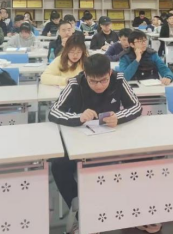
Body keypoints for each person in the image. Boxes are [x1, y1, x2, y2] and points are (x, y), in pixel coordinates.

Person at [48, 55, 156, 234]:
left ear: (110, 73)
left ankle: (137, 211)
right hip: (80, 141)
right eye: (93, 81)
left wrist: (118, 117)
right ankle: (82, 214)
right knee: (59, 166)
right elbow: (54, 112)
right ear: (85, 75)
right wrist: (78, 117)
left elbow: (136, 106)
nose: (99, 86)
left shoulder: (118, 79)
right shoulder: (75, 83)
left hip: (113, 139)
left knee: (141, 158)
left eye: (103, 80)